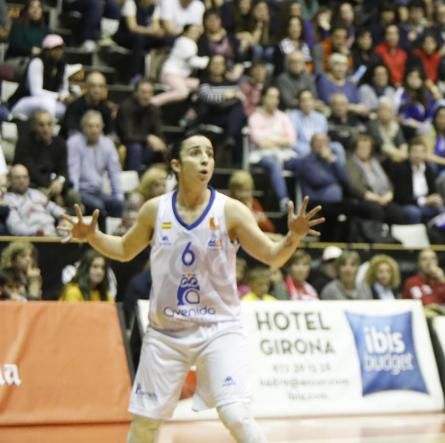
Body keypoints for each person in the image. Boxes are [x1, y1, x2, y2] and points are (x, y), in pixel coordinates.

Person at [59, 132, 323, 443]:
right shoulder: (155, 210)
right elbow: (124, 250)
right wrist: (92, 236)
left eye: (209, 154)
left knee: (236, 414)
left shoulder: (231, 210)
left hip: (219, 328)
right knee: (144, 425)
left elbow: (271, 256)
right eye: (196, 153)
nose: (205, 160)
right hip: (166, 332)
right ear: (176, 165)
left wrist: (292, 237)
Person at [4, 163, 63, 236]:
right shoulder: (8, 199)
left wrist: (65, 218)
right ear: (10, 180)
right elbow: (14, 227)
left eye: (25, 177)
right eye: (18, 177)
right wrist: (36, 232)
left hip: (51, 229)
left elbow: (54, 209)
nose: (22, 181)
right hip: (33, 236)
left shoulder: (36, 194)